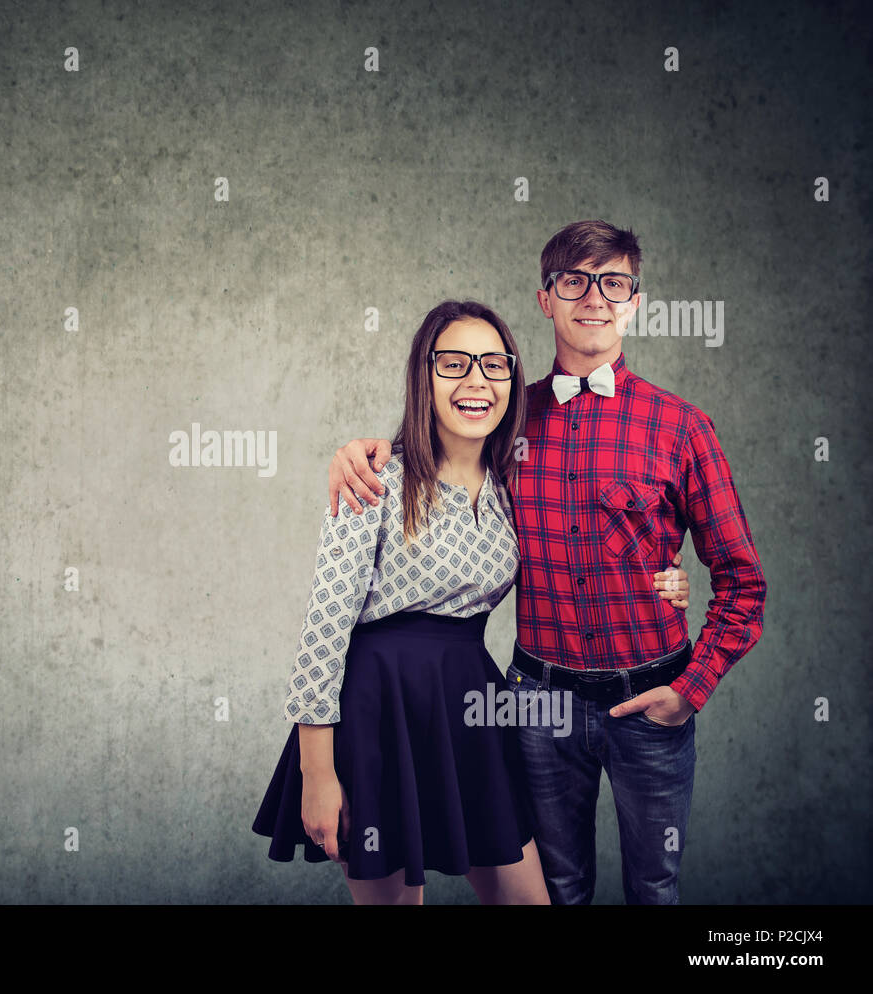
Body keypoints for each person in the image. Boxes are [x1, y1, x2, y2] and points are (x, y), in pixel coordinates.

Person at [323, 220, 765, 904]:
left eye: (614, 282)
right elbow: (436, 449)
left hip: (650, 705)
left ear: (635, 302)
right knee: (558, 891)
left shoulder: (681, 427)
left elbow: (742, 584)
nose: (595, 298)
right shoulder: (506, 421)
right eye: (574, 282)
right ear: (545, 299)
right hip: (536, 710)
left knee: (655, 887)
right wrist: (363, 451)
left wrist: (692, 689)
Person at [251, 298, 692, 905]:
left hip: (471, 711)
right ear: (423, 377)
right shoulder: (375, 481)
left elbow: (589, 552)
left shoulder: (515, 485)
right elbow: (323, 631)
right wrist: (317, 772)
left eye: (493, 364)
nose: (475, 380)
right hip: (377, 713)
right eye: (454, 363)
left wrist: (665, 582)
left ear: (512, 377)